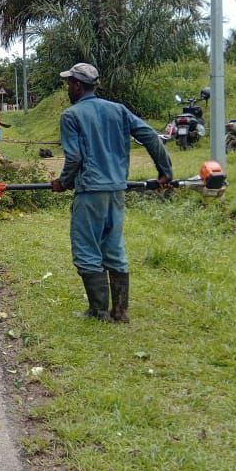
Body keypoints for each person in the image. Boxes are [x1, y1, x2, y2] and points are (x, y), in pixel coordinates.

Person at [50, 63, 172, 323]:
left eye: (70, 83)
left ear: (79, 86)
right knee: (113, 247)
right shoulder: (118, 110)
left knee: (86, 249)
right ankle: (120, 312)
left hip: (90, 191)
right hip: (117, 190)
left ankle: (99, 312)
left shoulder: (71, 115)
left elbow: (74, 157)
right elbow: (150, 135)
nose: (68, 87)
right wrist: (165, 172)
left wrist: (63, 182)